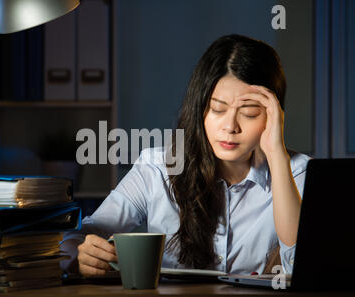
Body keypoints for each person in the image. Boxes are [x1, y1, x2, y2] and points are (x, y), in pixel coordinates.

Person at [60, 34, 312, 277]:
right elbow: (85, 233)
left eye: (249, 113)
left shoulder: (299, 173)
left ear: (274, 116)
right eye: (217, 109)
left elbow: (303, 264)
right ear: (199, 107)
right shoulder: (156, 168)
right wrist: (78, 255)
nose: (230, 127)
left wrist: (277, 154)